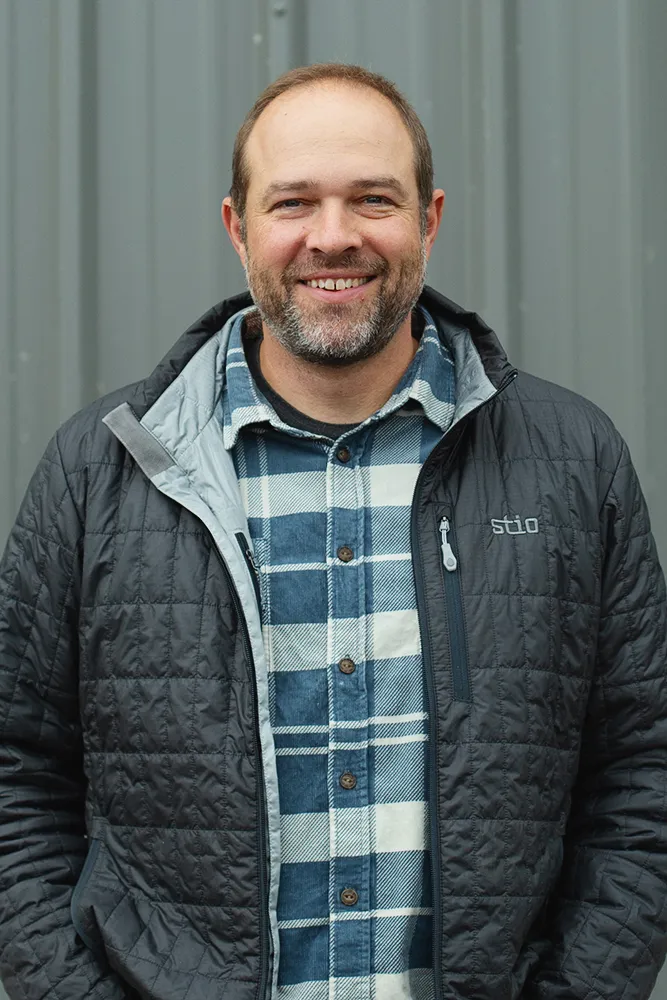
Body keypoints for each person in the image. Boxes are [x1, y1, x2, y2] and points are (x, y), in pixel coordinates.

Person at [0, 62, 666, 1000]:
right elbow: (18, 774)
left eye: (372, 199)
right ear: (237, 226)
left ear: (428, 220)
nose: (333, 237)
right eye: (292, 203)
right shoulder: (98, 471)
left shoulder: (572, 460)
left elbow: (640, 771)